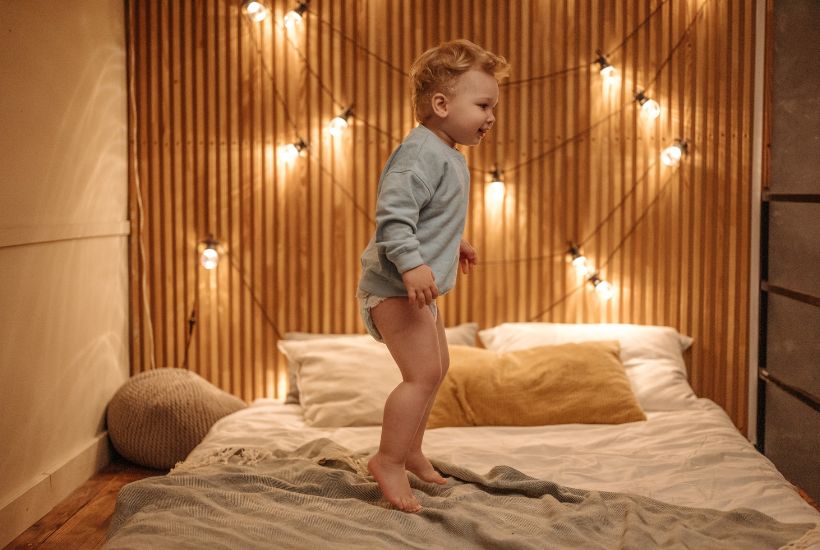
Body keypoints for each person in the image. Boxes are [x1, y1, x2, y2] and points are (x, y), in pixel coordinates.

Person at [356, 39, 510, 512]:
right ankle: (387, 459)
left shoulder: (446, 153)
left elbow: (426, 216)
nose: (491, 117)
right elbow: (393, 218)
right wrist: (414, 263)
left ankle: (412, 451)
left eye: (493, 107)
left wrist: (450, 243)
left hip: (413, 288)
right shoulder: (419, 153)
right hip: (394, 288)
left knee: (436, 369)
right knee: (420, 376)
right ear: (441, 104)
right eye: (483, 105)